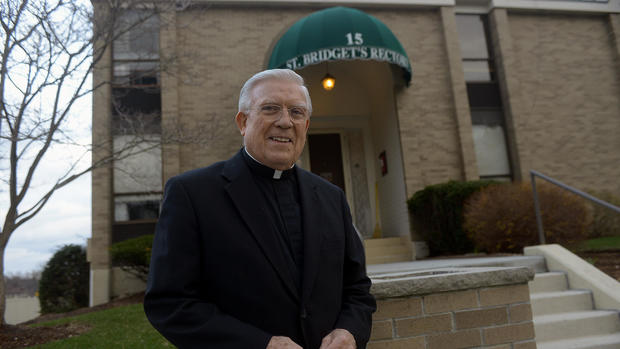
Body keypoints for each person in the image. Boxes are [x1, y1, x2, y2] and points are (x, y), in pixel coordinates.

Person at [144, 69, 376, 349]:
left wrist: (350, 330)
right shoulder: (192, 194)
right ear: (243, 121)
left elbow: (357, 290)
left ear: (306, 125)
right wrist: (259, 344)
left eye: (297, 113)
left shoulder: (332, 197)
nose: (285, 122)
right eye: (270, 109)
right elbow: (169, 304)